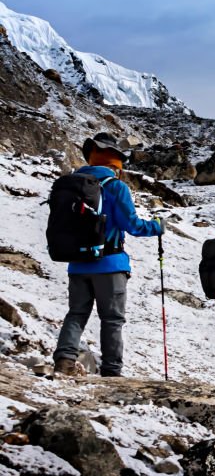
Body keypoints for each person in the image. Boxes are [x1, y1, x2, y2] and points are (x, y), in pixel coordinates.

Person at [53, 133, 163, 377]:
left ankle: (64, 359)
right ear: (116, 165)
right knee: (112, 320)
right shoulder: (115, 187)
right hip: (110, 265)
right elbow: (131, 225)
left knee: (76, 313)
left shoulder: (72, 184)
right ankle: (112, 371)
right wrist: (157, 226)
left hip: (78, 264)